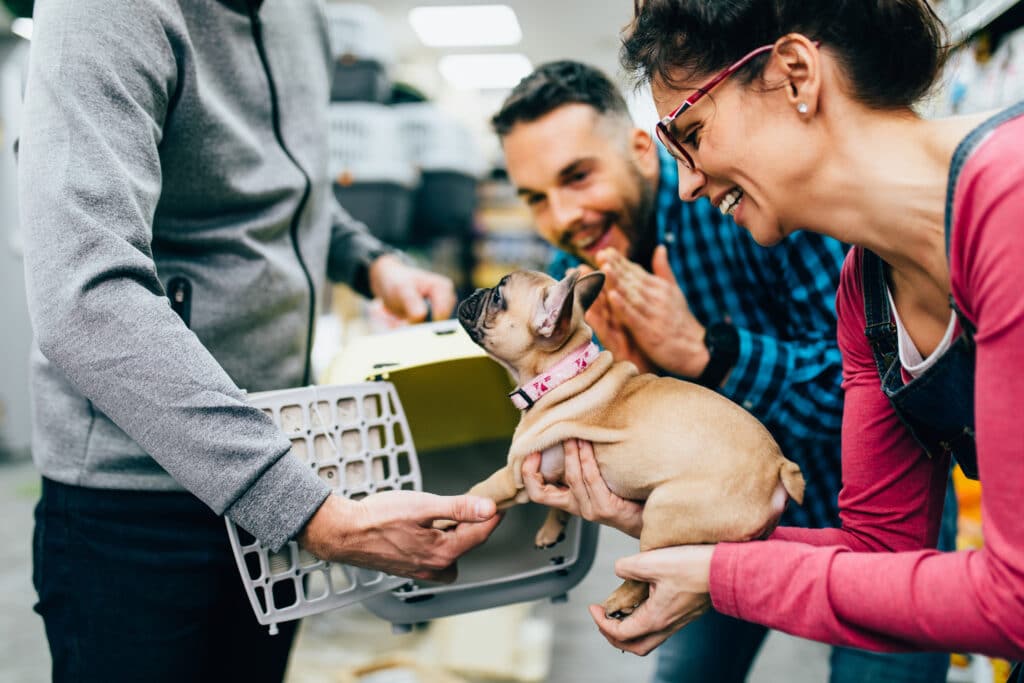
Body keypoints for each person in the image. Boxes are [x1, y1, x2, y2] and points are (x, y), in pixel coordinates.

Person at [531, 0, 1024, 671]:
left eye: (693, 134)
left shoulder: (1008, 208)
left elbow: (1012, 598)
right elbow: (882, 554)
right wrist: (695, 542)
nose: (687, 186)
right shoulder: (865, 289)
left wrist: (723, 573)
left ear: (795, 74)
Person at [19, 1, 500, 681]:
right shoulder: (107, 12)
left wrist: (370, 261)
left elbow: (289, 190)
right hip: (139, 504)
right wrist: (309, 511)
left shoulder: (298, 16)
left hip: (276, 463)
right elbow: (85, 295)